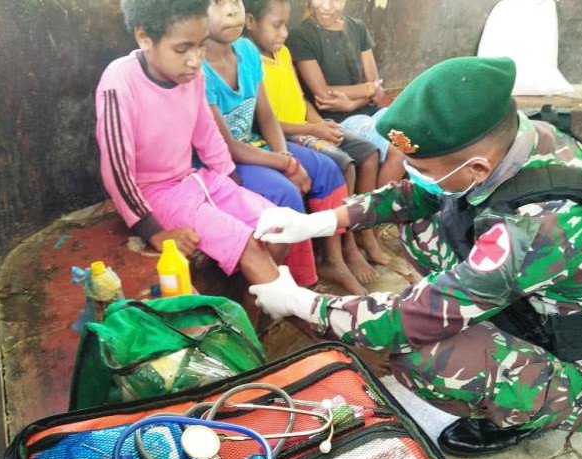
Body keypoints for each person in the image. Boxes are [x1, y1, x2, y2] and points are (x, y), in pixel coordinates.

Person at [248, 56, 582, 456]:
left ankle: (522, 414)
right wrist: (321, 221)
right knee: (425, 223)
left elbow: (408, 320)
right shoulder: (521, 139)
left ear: (477, 168)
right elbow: (415, 196)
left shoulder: (538, 227)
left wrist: (302, 303)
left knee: (421, 354)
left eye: (422, 169)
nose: (413, 175)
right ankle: (494, 328)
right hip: (553, 308)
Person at [95, 0, 287, 293]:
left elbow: (207, 133)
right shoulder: (119, 82)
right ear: (144, 37)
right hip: (153, 195)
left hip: (196, 181)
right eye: (182, 49)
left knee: (278, 230)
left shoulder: (194, 76)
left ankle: (250, 309)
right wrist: (155, 233)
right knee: (248, 244)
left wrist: (232, 183)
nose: (195, 61)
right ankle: (254, 314)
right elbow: (116, 170)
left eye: (201, 47)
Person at [202, 0, 368, 295]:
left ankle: (333, 260)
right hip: (227, 159)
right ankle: (301, 282)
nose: (231, 10)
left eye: (235, 1)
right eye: (218, 3)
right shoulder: (198, 70)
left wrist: (285, 155)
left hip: (257, 143)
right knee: (286, 193)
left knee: (328, 168)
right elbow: (227, 147)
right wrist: (286, 164)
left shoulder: (246, 51)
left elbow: (266, 115)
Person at [244, 0, 382, 286]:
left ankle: (353, 241)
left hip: (307, 126)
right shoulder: (250, 60)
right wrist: (313, 130)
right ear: (251, 22)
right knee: (342, 164)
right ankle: (336, 256)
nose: (284, 33)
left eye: (285, 25)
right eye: (277, 25)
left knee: (367, 153)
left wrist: (321, 124)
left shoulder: (283, 53)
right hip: (288, 133)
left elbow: (301, 98)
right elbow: (265, 122)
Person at [287, 0, 404, 264]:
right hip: (338, 119)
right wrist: (367, 90)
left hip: (364, 111)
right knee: (384, 150)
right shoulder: (302, 35)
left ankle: (375, 225)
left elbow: (377, 89)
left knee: (404, 140)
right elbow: (323, 94)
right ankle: (367, 231)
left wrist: (354, 99)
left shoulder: (357, 28)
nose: (327, 6)